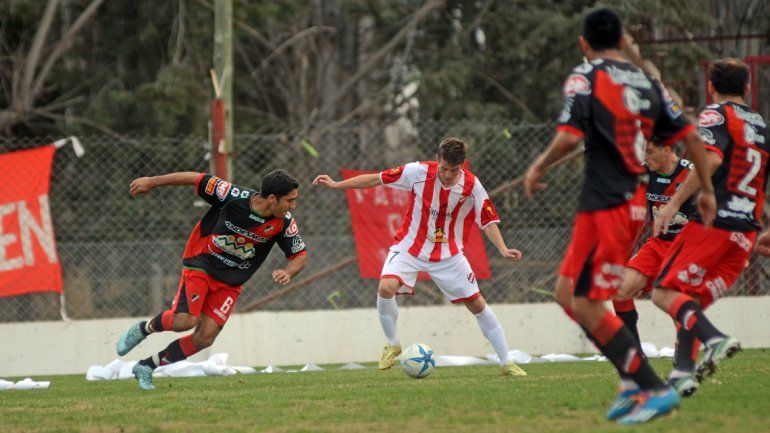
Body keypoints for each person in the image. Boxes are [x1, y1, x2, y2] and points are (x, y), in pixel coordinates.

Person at [524, 8, 716, 424]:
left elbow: (567, 136)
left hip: (607, 203)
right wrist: (708, 188)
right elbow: (691, 136)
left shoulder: (586, 75)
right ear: (620, 39)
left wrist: (539, 166)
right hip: (626, 204)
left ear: (584, 43)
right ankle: (632, 380)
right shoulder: (648, 82)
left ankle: (649, 384)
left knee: (590, 306)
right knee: (565, 293)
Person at [313, 137, 527, 377]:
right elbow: (377, 178)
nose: (447, 175)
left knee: (477, 304)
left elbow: (487, 221)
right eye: (444, 168)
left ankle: (505, 361)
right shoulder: (417, 172)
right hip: (409, 248)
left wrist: (502, 248)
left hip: (449, 255)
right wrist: (337, 184)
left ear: (463, 165)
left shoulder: (472, 186)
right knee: (385, 288)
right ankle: (393, 344)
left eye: (453, 170)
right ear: (437, 160)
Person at [115, 170, 307, 390]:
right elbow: (196, 178)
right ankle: (144, 329)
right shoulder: (232, 195)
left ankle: (146, 366)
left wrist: (289, 272)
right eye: (290, 200)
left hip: (230, 282)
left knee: (204, 338)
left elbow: (299, 255)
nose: (293, 206)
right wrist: (152, 181)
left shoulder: (284, 223)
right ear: (272, 198)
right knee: (185, 321)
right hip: (201, 264)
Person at [652, 58, 770, 392]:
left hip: (714, 222)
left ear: (711, 87)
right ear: (747, 88)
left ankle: (715, 339)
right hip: (745, 231)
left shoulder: (717, 114)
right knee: (690, 301)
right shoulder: (762, 126)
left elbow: (712, 157)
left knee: (664, 292)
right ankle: (682, 373)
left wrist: (674, 203)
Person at [614, 141, 699, 396]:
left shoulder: (691, 173)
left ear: (667, 150)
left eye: (649, 151)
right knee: (620, 290)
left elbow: (710, 208)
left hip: (686, 247)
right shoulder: (643, 173)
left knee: (678, 306)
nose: (645, 156)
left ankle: (685, 367)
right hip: (657, 245)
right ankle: (637, 360)